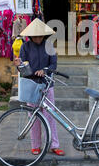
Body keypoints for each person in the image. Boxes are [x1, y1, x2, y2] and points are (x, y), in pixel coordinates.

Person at [13, 18, 65, 156]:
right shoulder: (25, 47)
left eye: (40, 36)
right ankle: (35, 145)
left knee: (50, 116)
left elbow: (54, 65)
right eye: (36, 36)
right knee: (33, 116)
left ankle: (54, 144)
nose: (38, 38)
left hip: (47, 85)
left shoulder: (49, 45)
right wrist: (19, 65)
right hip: (31, 85)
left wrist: (45, 70)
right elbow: (23, 68)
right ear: (31, 36)